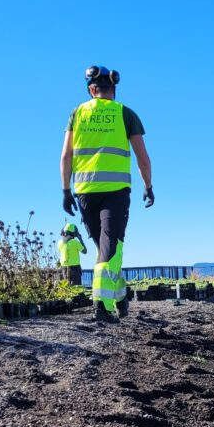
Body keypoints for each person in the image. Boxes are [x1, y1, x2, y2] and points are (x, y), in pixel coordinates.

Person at [60, 64, 153, 323]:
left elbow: (66, 156)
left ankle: (118, 298)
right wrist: (148, 186)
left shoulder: (77, 113)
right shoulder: (126, 113)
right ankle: (101, 306)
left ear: (92, 90)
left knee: (105, 249)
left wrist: (66, 190)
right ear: (113, 88)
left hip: (85, 192)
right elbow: (143, 158)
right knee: (109, 249)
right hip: (116, 192)